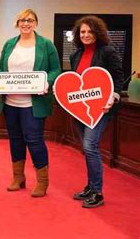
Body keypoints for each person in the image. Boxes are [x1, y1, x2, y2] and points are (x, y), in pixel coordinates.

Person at [0, 8, 61, 197]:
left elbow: (56, 69)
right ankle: (18, 178)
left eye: (30, 20)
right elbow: (1, 70)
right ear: (17, 23)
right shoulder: (9, 44)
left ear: (36, 23)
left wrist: (46, 82)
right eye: (22, 20)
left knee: (34, 140)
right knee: (15, 140)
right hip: (10, 103)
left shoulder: (46, 45)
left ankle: (42, 181)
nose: (26, 23)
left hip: (33, 103)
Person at [70, 15, 123, 208]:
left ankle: (98, 193)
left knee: (90, 145)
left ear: (97, 33)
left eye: (90, 31)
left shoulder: (107, 52)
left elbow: (118, 76)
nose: (86, 35)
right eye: (82, 32)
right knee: (87, 148)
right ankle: (90, 187)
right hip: (79, 109)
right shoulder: (75, 55)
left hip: (101, 108)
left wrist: (114, 96)